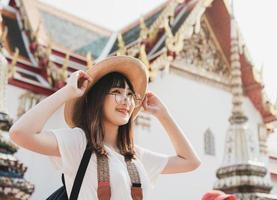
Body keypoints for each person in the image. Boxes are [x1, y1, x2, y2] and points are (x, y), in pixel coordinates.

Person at [9, 56, 201, 200]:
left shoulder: (134, 157)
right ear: (98, 99)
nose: (125, 100)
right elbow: (20, 133)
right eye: (117, 92)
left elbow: (190, 161)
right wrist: (67, 92)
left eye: (129, 94)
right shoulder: (78, 143)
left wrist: (164, 115)